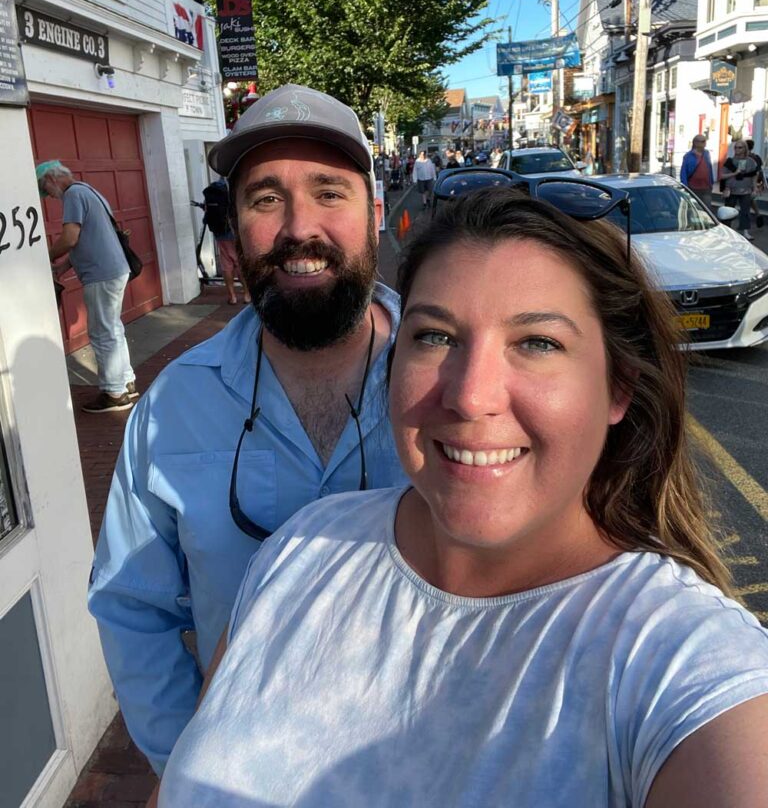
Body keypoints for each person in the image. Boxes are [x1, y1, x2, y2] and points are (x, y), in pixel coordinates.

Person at [155, 186, 768, 807]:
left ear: (619, 388)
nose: (471, 396)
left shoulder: (680, 660)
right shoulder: (302, 548)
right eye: (436, 337)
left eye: (537, 343)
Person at [88, 84, 405, 775]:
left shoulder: (455, 381)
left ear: (375, 213)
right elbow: (131, 608)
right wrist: (190, 769)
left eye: (330, 192)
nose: (299, 228)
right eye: (266, 198)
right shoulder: (174, 407)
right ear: (232, 233)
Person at [36, 160, 137, 413]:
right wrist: (62, 268)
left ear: (52, 179)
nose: (50, 196)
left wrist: (43, 256)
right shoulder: (89, 190)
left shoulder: (73, 195)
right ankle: (126, 381)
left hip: (100, 274)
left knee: (102, 333)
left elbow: (71, 237)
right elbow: (89, 238)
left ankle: (114, 393)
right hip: (114, 269)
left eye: (46, 190)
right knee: (113, 328)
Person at [202, 177, 251, 305]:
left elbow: (207, 209)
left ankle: (232, 296)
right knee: (239, 262)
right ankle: (247, 294)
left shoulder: (213, 188)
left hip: (218, 231)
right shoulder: (233, 187)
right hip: (232, 229)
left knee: (226, 264)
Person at [720, 139, 759, 240]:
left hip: (745, 190)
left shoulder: (751, 162)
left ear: (745, 148)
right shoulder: (730, 161)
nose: (737, 149)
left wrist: (755, 188)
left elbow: (754, 175)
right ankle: (726, 231)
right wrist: (734, 173)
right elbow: (722, 176)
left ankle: (745, 231)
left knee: (745, 211)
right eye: (736, 147)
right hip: (731, 189)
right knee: (728, 211)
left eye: (740, 147)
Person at [680, 134, 714, 210]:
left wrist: (711, 182)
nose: (705, 143)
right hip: (693, 188)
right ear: (695, 143)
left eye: (705, 141)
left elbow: (709, 168)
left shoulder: (706, 153)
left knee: (707, 209)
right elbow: (683, 172)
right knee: (694, 209)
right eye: (702, 141)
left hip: (706, 187)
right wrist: (685, 187)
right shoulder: (688, 156)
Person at [746, 139, 765, 228]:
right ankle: (758, 214)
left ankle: (749, 220)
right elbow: (760, 171)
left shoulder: (745, 157)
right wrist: (762, 183)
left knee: (747, 200)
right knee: (750, 200)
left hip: (747, 182)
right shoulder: (756, 157)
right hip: (755, 181)